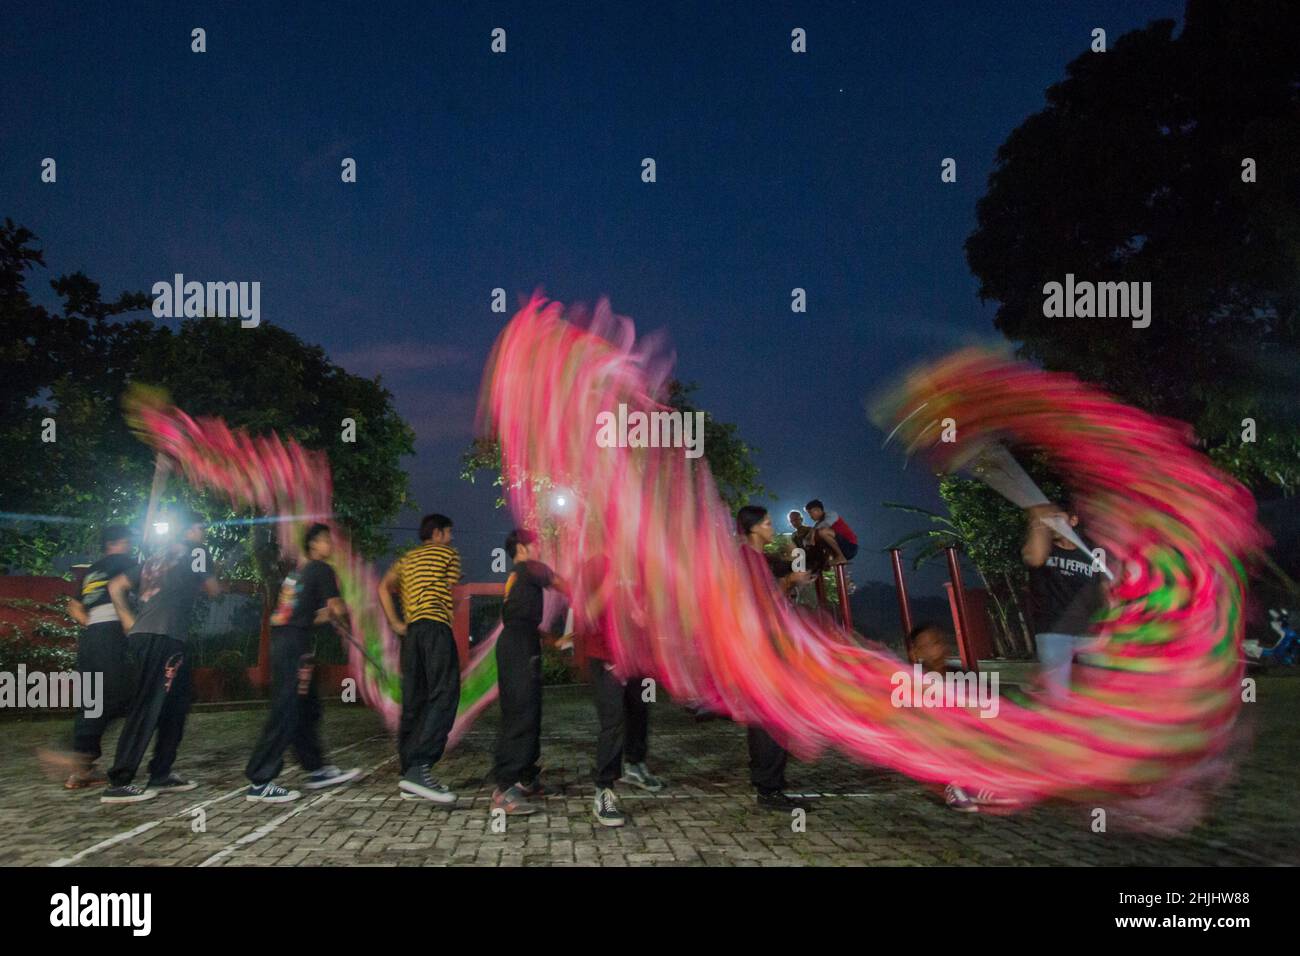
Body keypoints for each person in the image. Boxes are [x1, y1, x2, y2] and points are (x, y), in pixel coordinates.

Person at [101, 510, 221, 803]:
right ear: (192, 529)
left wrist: (130, 621)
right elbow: (213, 589)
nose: (204, 532)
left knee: (177, 704)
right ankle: (120, 780)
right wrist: (219, 582)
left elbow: (115, 586)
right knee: (147, 705)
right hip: (162, 637)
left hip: (162, 637)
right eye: (201, 527)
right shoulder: (197, 551)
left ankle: (161, 772)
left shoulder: (157, 557)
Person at [244, 523, 361, 803]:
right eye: (326, 541)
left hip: (285, 642)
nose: (330, 546)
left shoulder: (297, 574)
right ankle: (261, 779)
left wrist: (330, 618)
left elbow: (304, 615)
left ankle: (317, 768)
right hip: (293, 647)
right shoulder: (322, 569)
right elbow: (335, 608)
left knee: (307, 708)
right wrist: (349, 616)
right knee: (286, 708)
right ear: (314, 544)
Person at [379, 513, 462, 804]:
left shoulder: (407, 559)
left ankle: (408, 772)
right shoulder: (448, 554)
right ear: (438, 533)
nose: (451, 538)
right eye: (449, 532)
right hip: (436, 629)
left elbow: (383, 587)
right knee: (445, 694)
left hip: (412, 634)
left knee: (414, 700)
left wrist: (395, 623)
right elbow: (452, 586)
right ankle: (421, 766)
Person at [576, 555, 664, 828]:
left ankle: (635, 766)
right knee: (613, 722)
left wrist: (644, 614)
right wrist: (610, 583)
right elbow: (587, 613)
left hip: (636, 654)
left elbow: (648, 606)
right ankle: (604, 789)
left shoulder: (640, 564)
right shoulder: (596, 565)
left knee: (639, 711)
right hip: (605, 656)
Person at [737, 505, 812, 812]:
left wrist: (793, 566)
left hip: (769, 646)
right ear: (754, 528)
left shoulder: (761, 559)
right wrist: (789, 583)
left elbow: (799, 566)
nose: (771, 527)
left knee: (769, 716)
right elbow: (758, 602)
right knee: (771, 716)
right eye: (767, 523)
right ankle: (769, 788)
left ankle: (768, 783)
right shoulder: (746, 561)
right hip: (759, 648)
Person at [492, 528, 568, 815]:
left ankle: (526, 778)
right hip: (517, 647)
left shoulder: (519, 577)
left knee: (531, 710)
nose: (539, 550)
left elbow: (526, 621)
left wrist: (553, 640)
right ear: (522, 548)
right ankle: (504, 786)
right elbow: (563, 584)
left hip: (522, 641)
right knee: (520, 712)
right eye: (535, 545)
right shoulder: (528, 568)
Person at [63, 526, 137, 789]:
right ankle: (81, 761)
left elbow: (74, 607)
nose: (130, 546)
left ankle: (83, 766)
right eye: (128, 541)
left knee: (92, 698)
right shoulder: (124, 562)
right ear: (117, 543)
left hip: (92, 636)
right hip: (112, 633)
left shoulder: (90, 572)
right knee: (118, 696)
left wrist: (93, 625)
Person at [1022, 501, 1106, 700]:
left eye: (1057, 518)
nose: (1052, 524)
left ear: (1073, 520)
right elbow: (1034, 558)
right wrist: (1037, 521)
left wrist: (1108, 625)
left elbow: (1103, 588)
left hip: (1088, 629)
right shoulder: (1043, 547)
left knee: (1100, 692)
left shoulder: (1093, 552)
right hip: (1053, 630)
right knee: (1058, 696)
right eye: (1049, 519)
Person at [805, 499, 859, 566]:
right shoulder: (817, 524)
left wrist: (813, 532)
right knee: (817, 537)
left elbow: (826, 523)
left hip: (850, 547)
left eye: (811, 513)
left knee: (822, 532)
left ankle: (841, 557)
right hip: (838, 549)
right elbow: (806, 540)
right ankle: (829, 559)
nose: (810, 516)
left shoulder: (831, 514)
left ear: (818, 510)